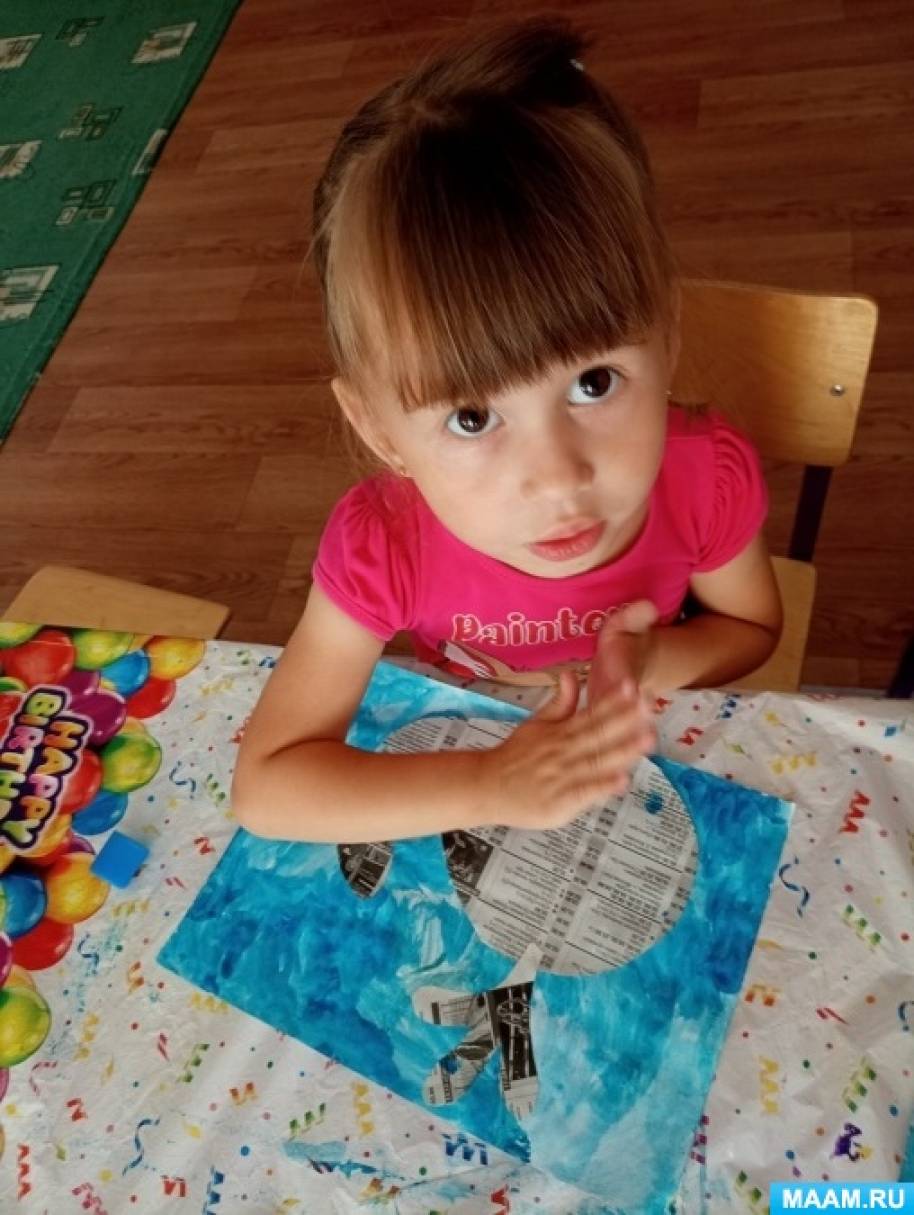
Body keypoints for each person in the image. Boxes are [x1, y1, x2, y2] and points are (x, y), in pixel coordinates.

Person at [232, 18, 783, 845]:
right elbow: (268, 785)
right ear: (379, 430)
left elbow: (752, 629)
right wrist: (493, 782)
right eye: (471, 417)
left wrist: (652, 660)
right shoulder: (383, 546)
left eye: (594, 382)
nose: (558, 478)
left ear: (667, 337)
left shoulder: (708, 477)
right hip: (471, 781)